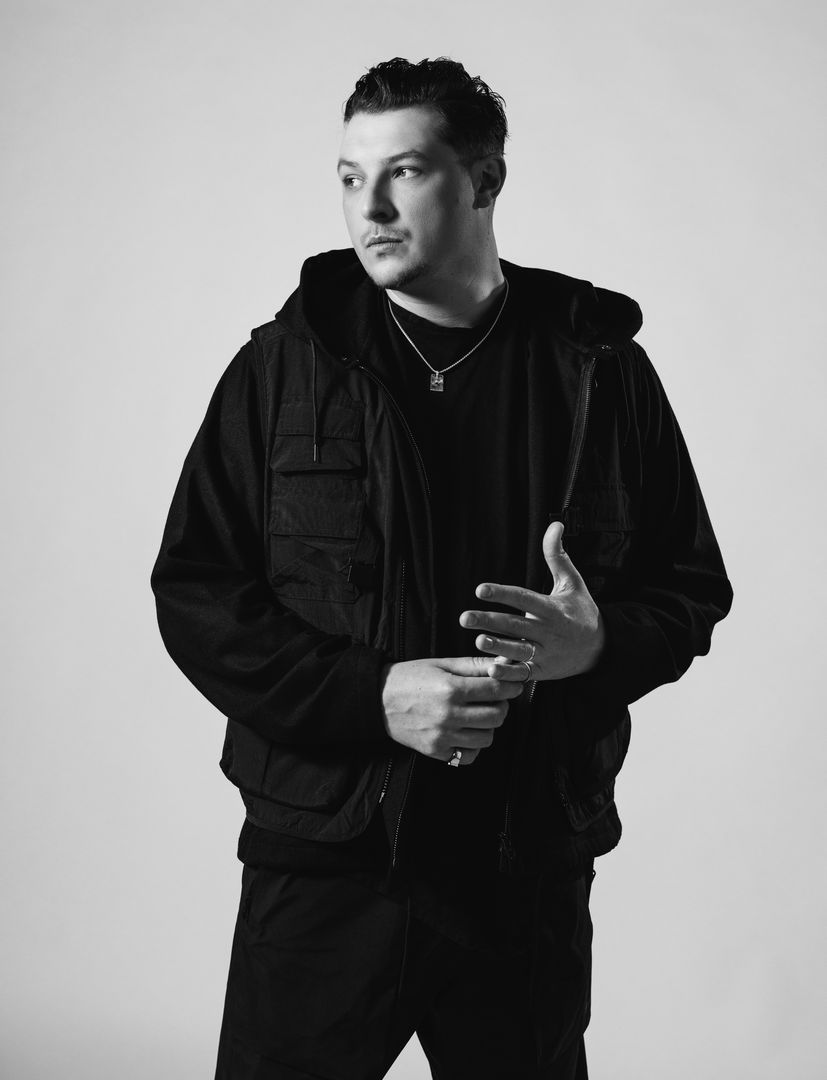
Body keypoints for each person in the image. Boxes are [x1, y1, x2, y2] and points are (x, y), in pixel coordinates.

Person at [151, 57, 732, 1080]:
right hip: (329, 858)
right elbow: (197, 594)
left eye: (405, 171)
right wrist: (370, 695)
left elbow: (689, 587)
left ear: (484, 180)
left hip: (525, 861)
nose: (368, 207)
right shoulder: (281, 370)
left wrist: (596, 645)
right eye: (349, 177)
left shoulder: (598, 371)